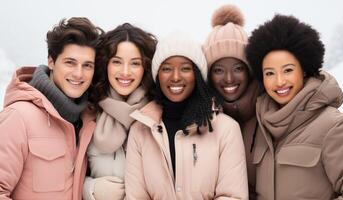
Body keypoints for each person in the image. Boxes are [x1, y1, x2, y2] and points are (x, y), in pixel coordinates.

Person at [125, 31, 248, 200]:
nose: (175, 77)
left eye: (185, 68)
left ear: (197, 75)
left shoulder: (226, 129)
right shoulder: (140, 131)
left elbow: (233, 196)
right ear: (157, 75)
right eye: (167, 68)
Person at [245, 14, 343, 200]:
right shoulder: (261, 128)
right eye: (270, 73)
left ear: (304, 69)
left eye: (288, 70)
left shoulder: (334, 127)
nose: (279, 81)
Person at [0, 17, 102, 200]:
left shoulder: (88, 121)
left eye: (87, 65)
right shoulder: (18, 117)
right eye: (70, 62)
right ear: (51, 62)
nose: (79, 74)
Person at [82, 23, 157, 200]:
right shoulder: (87, 112)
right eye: (116, 61)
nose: (125, 72)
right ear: (105, 64)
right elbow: (64, 175)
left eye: (135, 63)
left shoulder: (159, 113)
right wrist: (90, 189)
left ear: (145, 67)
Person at [202, 5, 263, 199]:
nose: (229, 79)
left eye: (238, 68)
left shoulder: (271, 114)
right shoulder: (200, 120)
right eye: (218, 70)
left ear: (250, 70)